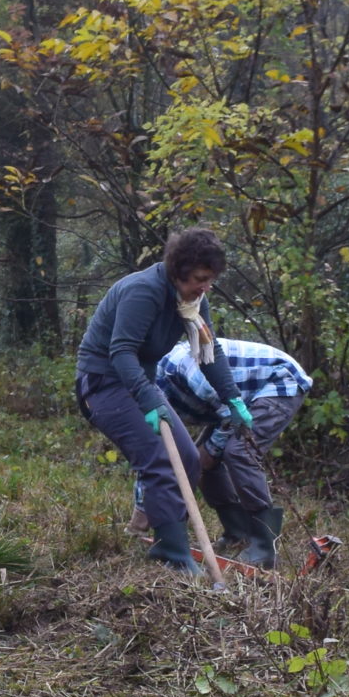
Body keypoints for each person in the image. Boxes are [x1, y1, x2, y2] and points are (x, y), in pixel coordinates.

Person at [75, 228, 246, 574]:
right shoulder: (144, 291)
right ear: (178, 269)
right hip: (103, 385)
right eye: (200, 278)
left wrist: (233, 399)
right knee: (160, 457)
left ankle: (172, 541)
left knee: (186, 457)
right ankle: (172, 553)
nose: (205, 287)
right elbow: (121, 352)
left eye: (210, 280)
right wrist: (149, 400)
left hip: (138, 385)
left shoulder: (193, 303)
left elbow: (210, 353)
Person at [147, 335, 310, 569]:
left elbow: (229, 412)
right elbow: (157, 460)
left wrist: (209, 453)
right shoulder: (152, 401)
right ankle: (237, 531)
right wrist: (143, 507)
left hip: (278, 381)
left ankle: (264, 546)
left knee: (238, 452)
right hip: (231, 404)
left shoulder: (179, 366)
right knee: (198, 461)